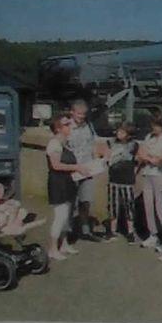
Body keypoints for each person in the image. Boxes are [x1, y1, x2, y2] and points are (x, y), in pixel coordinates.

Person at [65, 97, 108, 242]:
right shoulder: (66, 127)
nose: (81, 117)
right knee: (70, 201)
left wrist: (98, 159)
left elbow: (93, 143)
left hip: (88, 168)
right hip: (73, 169)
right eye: (79, 114)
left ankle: (85, 230)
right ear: (72, 112)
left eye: (84, 114)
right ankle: (68, 230)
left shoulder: (88, 125)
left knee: (86, 201)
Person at [43, 112, 84, 261]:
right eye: (66, 124)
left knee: (67, 215)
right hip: (58, 183)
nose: (70, 127)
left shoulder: (65, 143)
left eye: (70, 124)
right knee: (60, 216)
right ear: (58, 128)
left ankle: (64, 244)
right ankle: (52, 249)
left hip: (68, 182)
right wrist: (76, 167)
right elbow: (56, 165)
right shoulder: (54, 143)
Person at [136, 110, 162, 257]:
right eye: (153, 124)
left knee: (160, 206)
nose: (154, 128)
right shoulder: (149, 137)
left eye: (157, 125)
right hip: (147, 173)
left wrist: (150, 157)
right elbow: (140, 154)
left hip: (160, 175)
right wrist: (150, 157)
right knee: (148, 205)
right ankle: (153, 234)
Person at [106, 120, 139, 241]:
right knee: (113, 205)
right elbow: (106, 157)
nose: (119, 133)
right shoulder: (111, 143)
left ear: (128, 134)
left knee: (129, 205)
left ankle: (130, 231)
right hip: (114, 179)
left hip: (127, 180)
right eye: (118, 131)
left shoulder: (133, 145)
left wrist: (135, 171)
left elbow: (137, 160)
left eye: (122, 132)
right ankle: (112, 230)